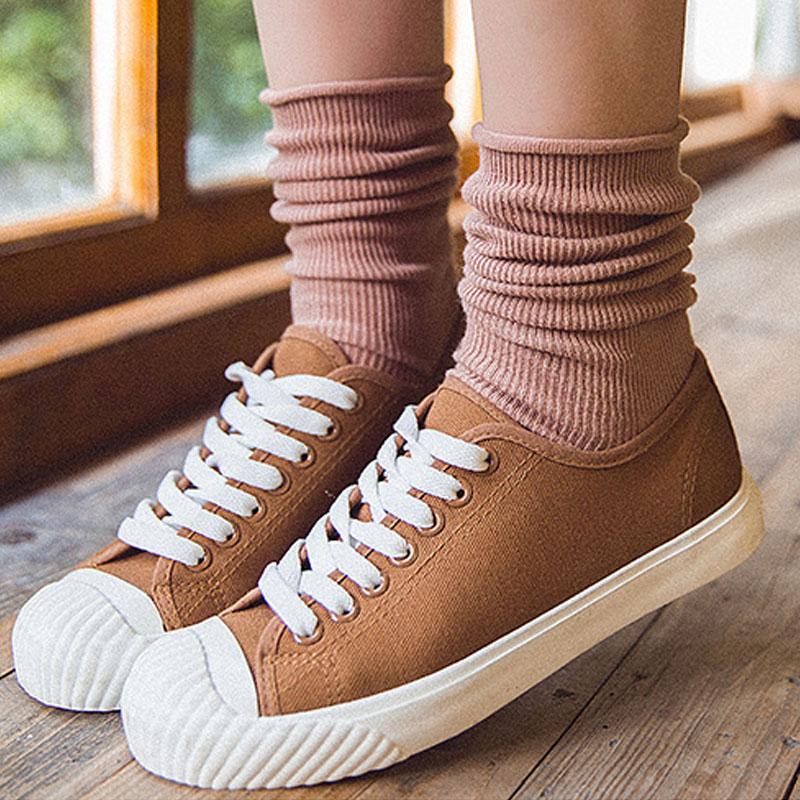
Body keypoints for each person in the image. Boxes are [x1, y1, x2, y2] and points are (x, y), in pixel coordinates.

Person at [13, 0, 764, 789]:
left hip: (597, 380)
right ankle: (381, 330)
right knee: (359, 258)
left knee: (565, 305)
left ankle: (580, 371)